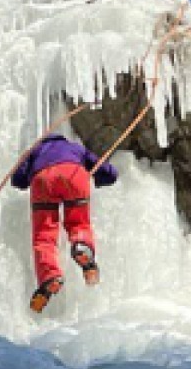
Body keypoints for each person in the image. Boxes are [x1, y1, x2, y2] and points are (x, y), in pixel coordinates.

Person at [11, 133, 119, 313]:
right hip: (74, 174)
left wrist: (28, 175)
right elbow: (109, 172)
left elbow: (18, 179)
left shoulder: (36, 150)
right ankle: (81, 246)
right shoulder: (76, 148)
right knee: (78, 223)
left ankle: (50, 276)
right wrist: (102, 178)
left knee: (44, 236)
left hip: (43, 179)